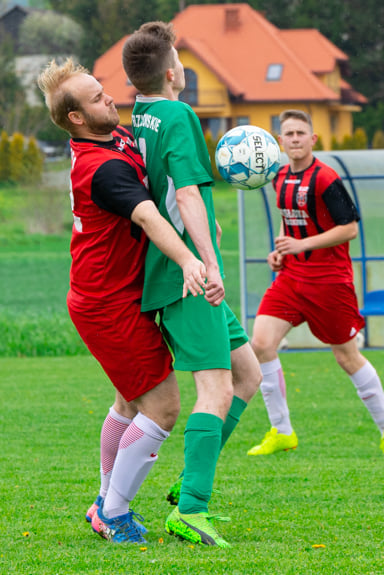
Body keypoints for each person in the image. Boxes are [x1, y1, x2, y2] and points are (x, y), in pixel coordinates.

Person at [36, 58, 215, 544]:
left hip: (108, 296)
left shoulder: (108, 138)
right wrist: (189, 259)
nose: (110, 98)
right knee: (162, 407)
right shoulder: (104, 168)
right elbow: (148, 217)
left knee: (128, 401)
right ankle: (114, 512)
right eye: (96, 98)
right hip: (107, 304)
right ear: (75, 118)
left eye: (103, 89)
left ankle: (104, 500)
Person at [122, 21, 262, 548]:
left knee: (248, 375)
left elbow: (175, 193)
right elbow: (182, 196)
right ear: (173, 71)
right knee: (217, 389)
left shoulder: (140, 115)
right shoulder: (178, 114)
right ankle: (192, 509)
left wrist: (205, 221)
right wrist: (209, 263)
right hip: (187, 276)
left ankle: (190, 485)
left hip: (166, 268)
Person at [245, 109, 384, 457]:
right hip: (291, 278)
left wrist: (301, 245)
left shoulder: (325, 178)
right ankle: (282, 431)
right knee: (260, 344)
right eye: (288, 134)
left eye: (301, 133)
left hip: (329, 281)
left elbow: (349, 228)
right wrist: (281, 251)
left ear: (313, 139)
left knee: (347, 357)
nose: (295, 139)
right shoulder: (280, 177)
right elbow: (290, 225)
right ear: (281, 141)